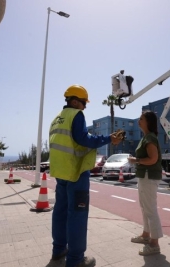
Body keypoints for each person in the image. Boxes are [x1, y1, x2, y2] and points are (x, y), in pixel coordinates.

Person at [49, 84, 122, 267]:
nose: (85, 107)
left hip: (61, 172)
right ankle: (75, 260)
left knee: (60, 212)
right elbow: (83, 139)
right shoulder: (76, 115)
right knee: (77, 215)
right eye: (83, 103)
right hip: (76, 171)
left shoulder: (56, 119)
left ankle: (58, 250)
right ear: (75, 101)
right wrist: (108, 139)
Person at [128, 111, 163, 256]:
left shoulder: (149, 138)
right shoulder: (146, 137)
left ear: (148, 121)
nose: (138, 120)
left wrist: (135, 160)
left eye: (141, 118)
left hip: (148, 177)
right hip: (144, 177)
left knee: (150, 209)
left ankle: (154, 244)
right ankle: (145, 235)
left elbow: (153, 159)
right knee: (144, 208)